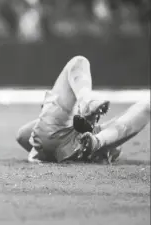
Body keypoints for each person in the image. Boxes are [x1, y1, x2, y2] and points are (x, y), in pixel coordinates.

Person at [15, 56, 150, 163]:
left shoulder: (91, 132)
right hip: (80, 149)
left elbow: (22, 136)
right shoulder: (100, 136)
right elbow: (22, 135)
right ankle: (94, 133)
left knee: (79, 61)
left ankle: (86, 101)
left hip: (52, 140)